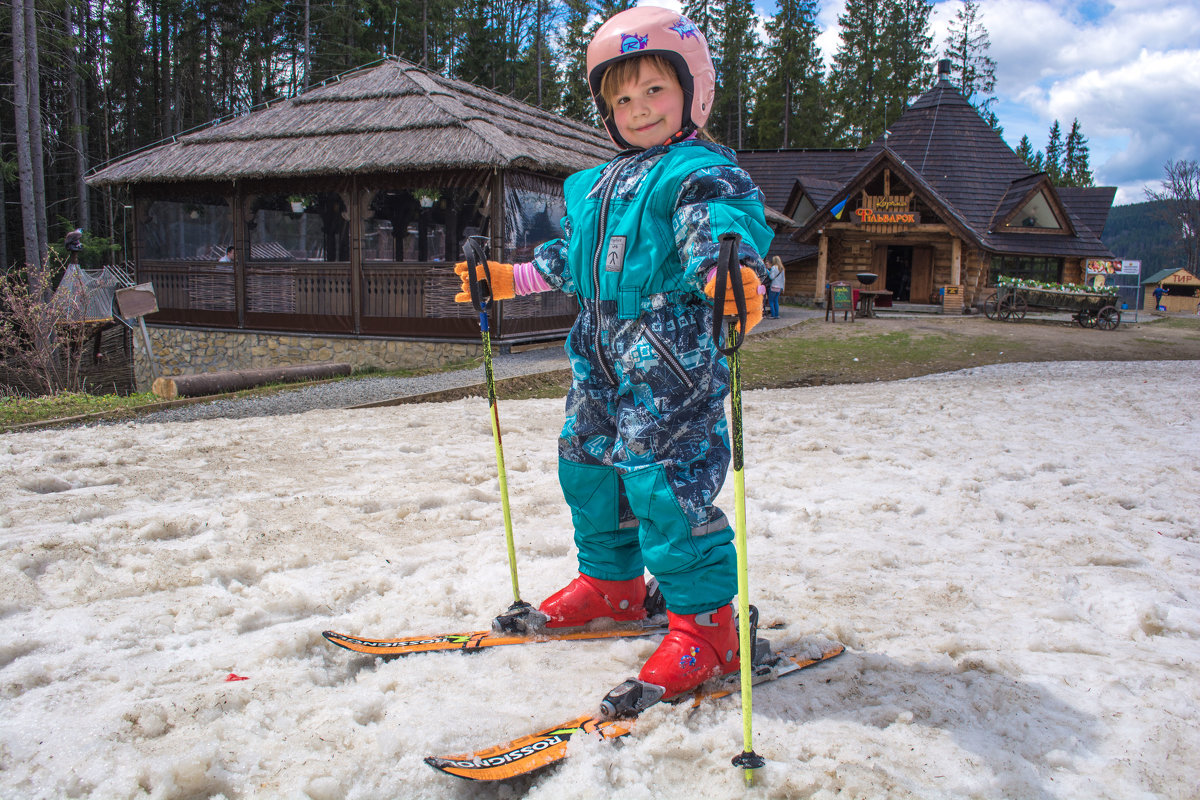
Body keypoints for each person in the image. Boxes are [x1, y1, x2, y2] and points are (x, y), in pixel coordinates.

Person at [453, 6, 773, 701]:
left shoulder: (698, 173)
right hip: (598, 359)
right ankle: (613, 584)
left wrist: (729, 276)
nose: (638, 109)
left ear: (693, 90)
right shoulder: (596, 186)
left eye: (654, 90)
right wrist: (508, 280)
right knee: (588, 467)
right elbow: (569, 259)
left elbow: (714, 231)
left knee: (664, 483)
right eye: (621, 98)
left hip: (671, 361)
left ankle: (709, 627)